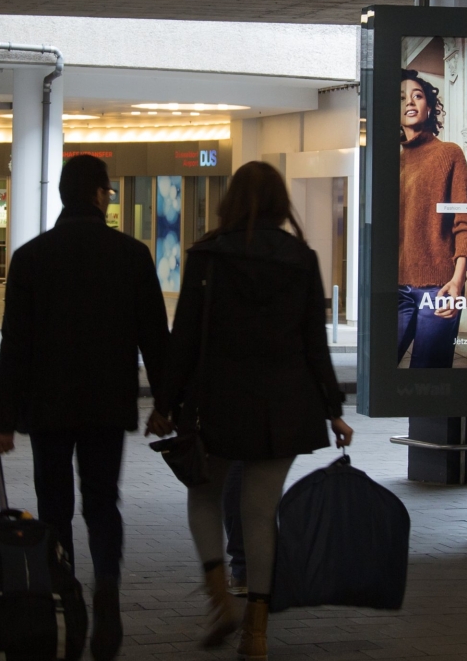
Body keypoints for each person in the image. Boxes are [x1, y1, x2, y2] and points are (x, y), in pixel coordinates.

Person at [149, 161, 352, 660]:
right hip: (284, 403)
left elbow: (186, 338)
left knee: (204, 494)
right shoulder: (300, 258)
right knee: (260, 514)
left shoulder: (207, 255)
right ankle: (256, 635)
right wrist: (333, 409)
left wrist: (165, 403)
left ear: (231, 200)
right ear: (281, 202)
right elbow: (313, 343)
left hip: (217, 399)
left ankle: (221, 600)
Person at [0, 155, 170, 661]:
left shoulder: (31, 257)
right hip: (107, 404)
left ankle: (64, 593)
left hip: (47, 405)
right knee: (102, 499)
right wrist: (166, 405)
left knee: (54, 506)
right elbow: (155, 338)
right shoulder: (131, 255)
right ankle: (106, 586)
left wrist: (3, 423)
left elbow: (14, 345)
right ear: (98, 194)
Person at [399, 71, 467, 368]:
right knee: (379, 365)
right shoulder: (390, 161)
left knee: (428, 379)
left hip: (440, 285)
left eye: (417, 95)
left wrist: (458, 280)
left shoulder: (448, 153)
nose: (409, 101)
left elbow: (466, 222)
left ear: (429, 108)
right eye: (401, 97)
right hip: (395, 286)